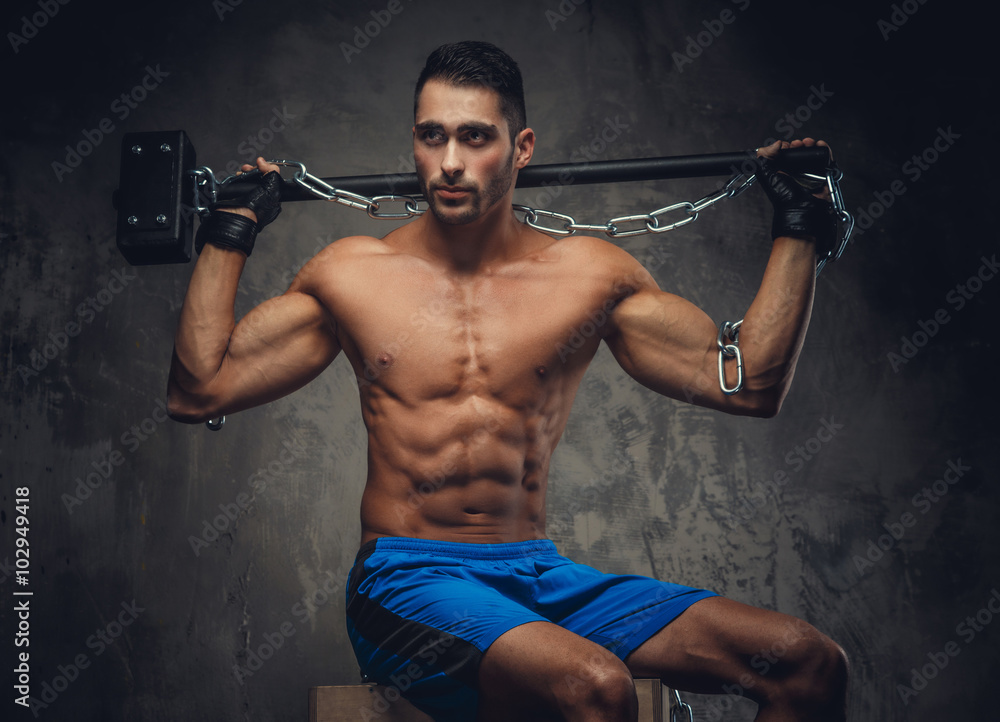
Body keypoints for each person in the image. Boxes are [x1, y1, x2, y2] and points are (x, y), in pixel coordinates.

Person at [168, 41, 848, 722]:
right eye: (432, 136)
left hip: (537, 577)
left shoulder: (587, 277)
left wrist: (798, 226)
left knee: (807, 665)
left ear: (521, 147)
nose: (451, 162)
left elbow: (747, 384)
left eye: (475, 137)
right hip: (405, 582)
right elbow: (200, 387)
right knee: (595, 686)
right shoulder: (354, 274)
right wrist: (230, 230)